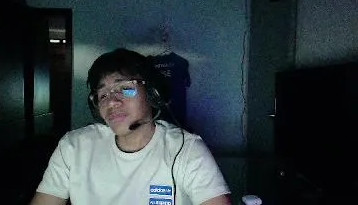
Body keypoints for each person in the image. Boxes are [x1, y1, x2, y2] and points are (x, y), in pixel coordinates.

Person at [30, 48, 232, 205]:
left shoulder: (187, 150)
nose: (111, 102)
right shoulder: (74, 147)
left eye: (125, 89)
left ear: (152, 94)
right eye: (103, 94)